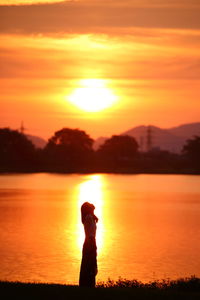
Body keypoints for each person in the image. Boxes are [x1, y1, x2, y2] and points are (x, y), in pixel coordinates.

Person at [79, 202, 98, 287]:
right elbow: (91, 233)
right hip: (90, 241)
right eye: (92, 210)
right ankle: (89, 284)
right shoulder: (89, 218)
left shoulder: (90, 217)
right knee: (90, 263)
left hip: (90, 241)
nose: (93, 211)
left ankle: (88, 283)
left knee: (89, 263)